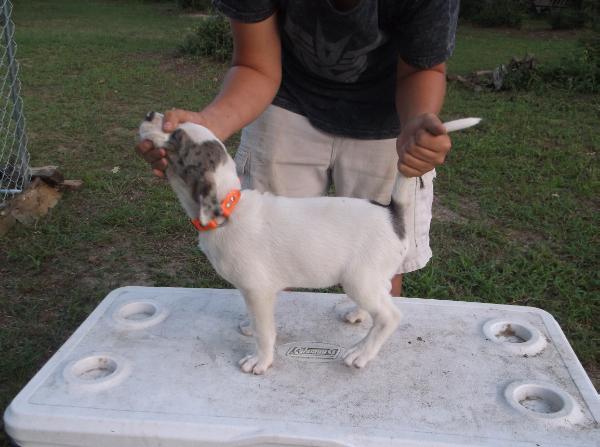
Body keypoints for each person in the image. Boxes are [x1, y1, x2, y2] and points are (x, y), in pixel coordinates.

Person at [136, 0, 459, 296]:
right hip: (287, 100)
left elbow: (422, 68)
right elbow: (254, 65)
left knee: (380, 256)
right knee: (268, 251)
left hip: (389, 112)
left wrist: (416, 122)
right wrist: (209, 125)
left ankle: (373, 348)